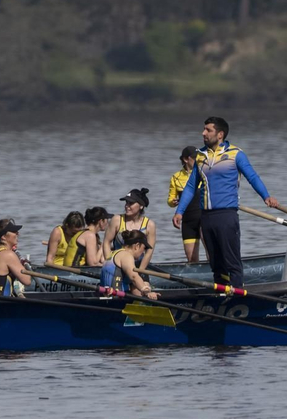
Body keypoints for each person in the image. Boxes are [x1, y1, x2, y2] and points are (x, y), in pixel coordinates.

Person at [172, 115, 277, 291]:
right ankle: (220, 294)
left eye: (208, 130)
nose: (203, 133)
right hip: (206, 216)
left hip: (226, 215)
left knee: (231, 260)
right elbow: (191, 186)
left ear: (220, 134)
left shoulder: (236, 154)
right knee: (215, 262)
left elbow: (252, 177)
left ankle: (237, 292)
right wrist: (179, 211)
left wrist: (266, 196)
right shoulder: (200, 156)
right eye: (204, 129)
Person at [99, 224, 158, 300]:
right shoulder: (126, 256)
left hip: (107, 297)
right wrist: (147, 291)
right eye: (144, 248)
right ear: (137, 246)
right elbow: (133, 277)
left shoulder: (113, 253)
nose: (143, 252)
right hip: (117, 300)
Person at [168, 146, 204, 263]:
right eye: (195, 158)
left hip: (204, 218)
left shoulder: (203, 173)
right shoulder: (176, 177)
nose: (198, 160)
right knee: (192, 260)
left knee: (211, 255)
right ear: (185, 159)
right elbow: (170, 200)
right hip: (188, 221)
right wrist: (172, 202)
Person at [112, 189, 155, 272]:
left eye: (131, 203)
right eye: (126, 203)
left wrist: (140, 270)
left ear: (141, 206)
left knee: (144, 285)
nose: (127, 206)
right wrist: (111, 264)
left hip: (138, 266)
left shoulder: (150, 225)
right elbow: (106, 243)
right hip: (118, 265)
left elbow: (149, 251)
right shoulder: (116, 220)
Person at [0, 219, 32, 297]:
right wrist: (24, 266)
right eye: (14, 231)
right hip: (2, 303)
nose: (18, 233)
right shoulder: (8, 255)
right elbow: (27, 281)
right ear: (4, 237)